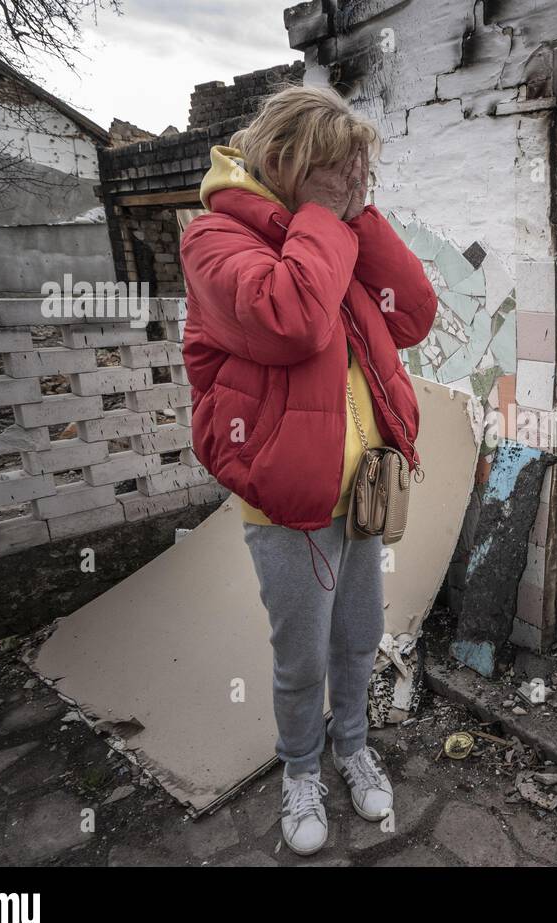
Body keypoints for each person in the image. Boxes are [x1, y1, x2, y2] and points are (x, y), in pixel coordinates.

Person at [178, 85, 436, 855]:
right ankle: (300, 770)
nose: (358, 185)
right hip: (289, 501)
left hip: (361, 491)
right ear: (291, 161)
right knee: (302, 657)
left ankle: (352, 746)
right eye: (344, 171)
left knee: (360, 637)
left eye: (364, 175)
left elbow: (412, 313)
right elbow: (288, 320)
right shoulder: (214, 240)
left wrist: (355, 219)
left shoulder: (329, 234)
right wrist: (327, 218)